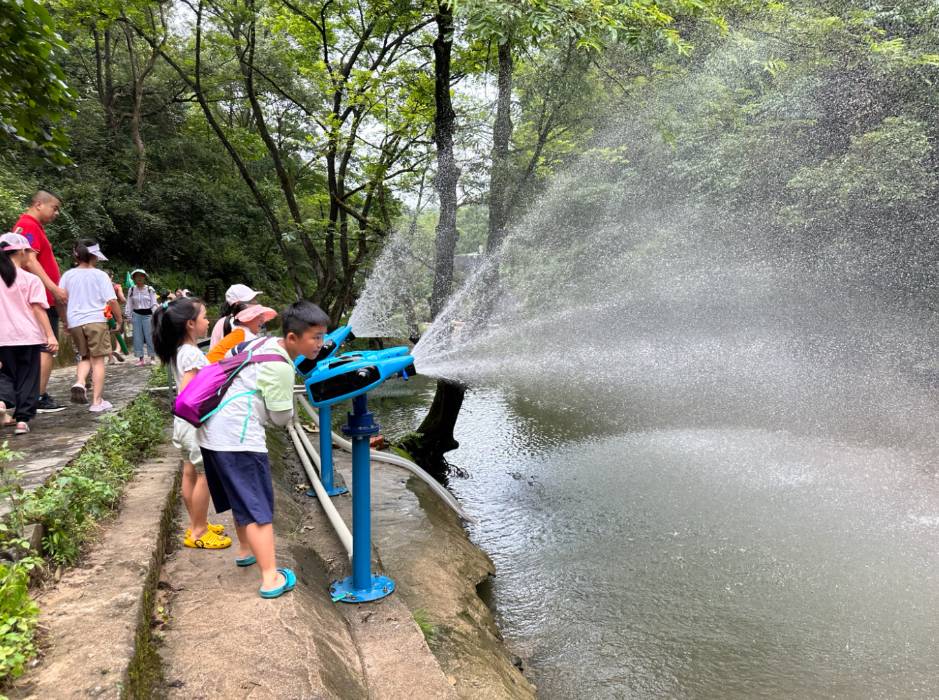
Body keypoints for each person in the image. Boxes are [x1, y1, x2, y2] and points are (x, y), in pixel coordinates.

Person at [198, 300, 328, 598]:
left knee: (238, 497)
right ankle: (270, 578)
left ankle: (246, 550)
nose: (321, 344)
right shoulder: (281, 367)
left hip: (212, 429)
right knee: (258, 507)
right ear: (293, 339)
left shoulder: (262, 344)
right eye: (316, 338)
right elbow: (281, 418)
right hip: (238, 439)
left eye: (323, 336)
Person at [152, 298, 232, 550]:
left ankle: (197, 524)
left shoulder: (179, 351)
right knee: (205, 475)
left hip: (182, 424)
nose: (208, 322)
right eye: (204, 317)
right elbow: (190, 392)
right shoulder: (193, 354)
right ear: (190, 324)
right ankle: (198, 531)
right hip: (194, 423)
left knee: (189, 472)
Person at [14, 190, 67, 413]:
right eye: (54, 208)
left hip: (41, 296)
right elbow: (30, 261)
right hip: (40, 297)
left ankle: (33, 393)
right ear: (38, 204)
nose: (56, 213)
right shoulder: (28, 225)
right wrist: (53, 288)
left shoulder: (31, 226)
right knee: (47, 346)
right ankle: (38, 395)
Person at [0, 233, 58, 434]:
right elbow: (38, 310)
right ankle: (22, 421)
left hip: (2, 338)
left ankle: (1, 403)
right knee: (27, 378)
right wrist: (50, 335)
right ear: (22, 252)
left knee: (5, 375)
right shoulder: (30, 279)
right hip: (28, 337)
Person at [60, 240, 123, 412]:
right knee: (98, 361)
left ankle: (80, 382)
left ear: (76, 255)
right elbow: (112, 300)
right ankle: (97, 401)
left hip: (75, 322)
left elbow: (61, 300)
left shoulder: (67, 276)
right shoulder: (100, 275)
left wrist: (66, 321)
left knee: (85, 356)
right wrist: (119, 319)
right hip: (95, 320)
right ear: (94, 256)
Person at [205, 305, 277, 363]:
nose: (262, 320)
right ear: (247, 319)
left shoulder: (239, 332)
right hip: (215, 372)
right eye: (258, 316)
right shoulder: (247, 336)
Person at [125, 269, 158, 365]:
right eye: (136, 276)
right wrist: (128, 315)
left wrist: (155, 314)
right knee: (137, 337)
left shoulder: (150, 289)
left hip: (148, 314)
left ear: (144, 277)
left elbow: (154, 303)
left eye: (141, 276)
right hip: (136, 315)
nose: (139, 278)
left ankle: (152, 357)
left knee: (150, 336)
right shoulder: (131, 290)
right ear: (134, 278)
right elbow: (129, 304)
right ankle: (141, 359)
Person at [105, 271, 128, 363]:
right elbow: (122, 299)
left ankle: (110, 357)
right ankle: (118, 350)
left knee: (106, 334)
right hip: (114, 310)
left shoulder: (99, 285)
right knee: (119, 330)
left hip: (104, 311)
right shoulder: (116, 286)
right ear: (112, 276)